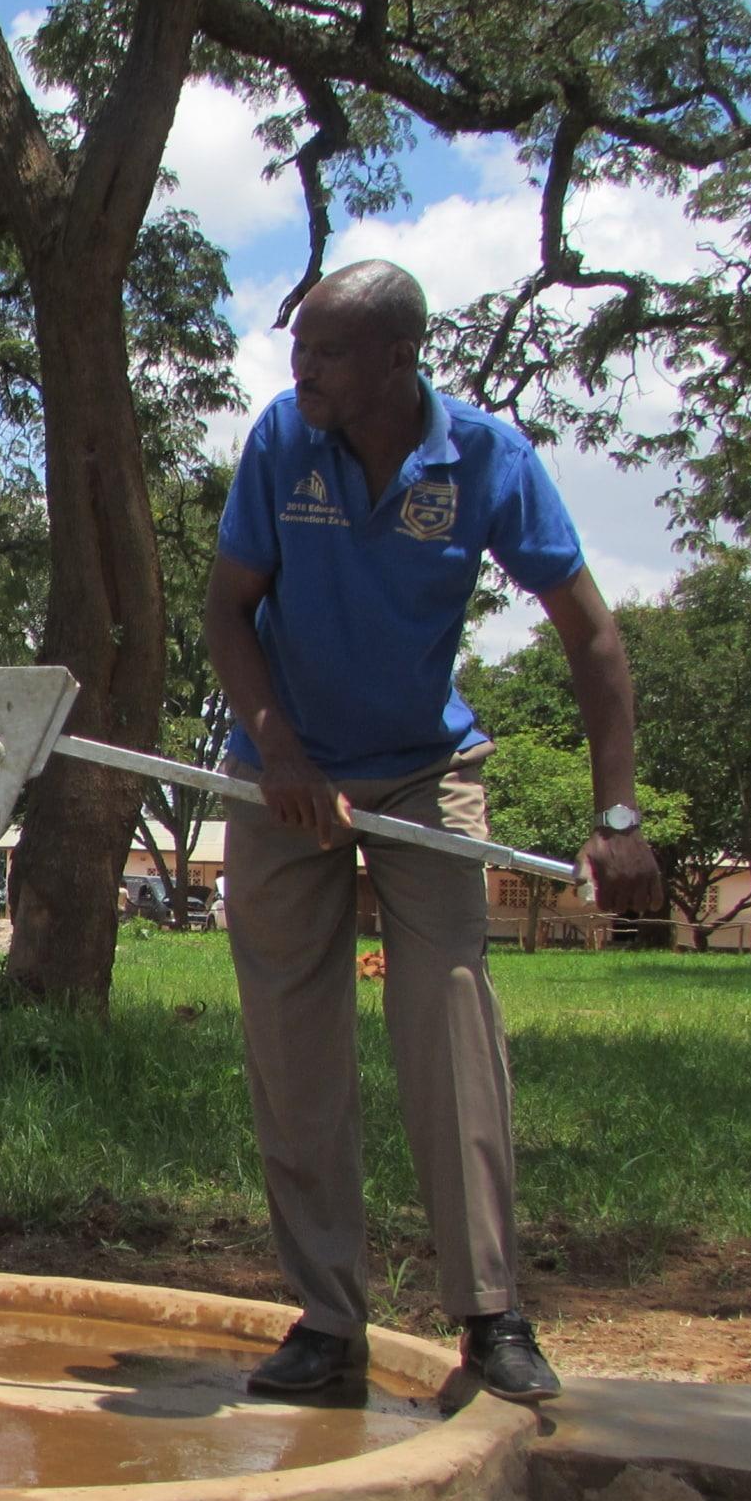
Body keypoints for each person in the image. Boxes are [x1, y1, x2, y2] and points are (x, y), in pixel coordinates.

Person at [202, 259, 662, 1405]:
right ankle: (326, 1324)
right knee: (293, 1050)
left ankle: (491, 1318)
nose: (298, 368)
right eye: (295, 347)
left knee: (450, 1025)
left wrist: (618, 817)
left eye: (323, 351)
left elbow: (591, 637)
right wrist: (282, 748)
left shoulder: (485, 460)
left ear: (397, 360)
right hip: (283, 776)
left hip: (422, 773)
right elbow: (226, 608)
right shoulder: (281, 440)